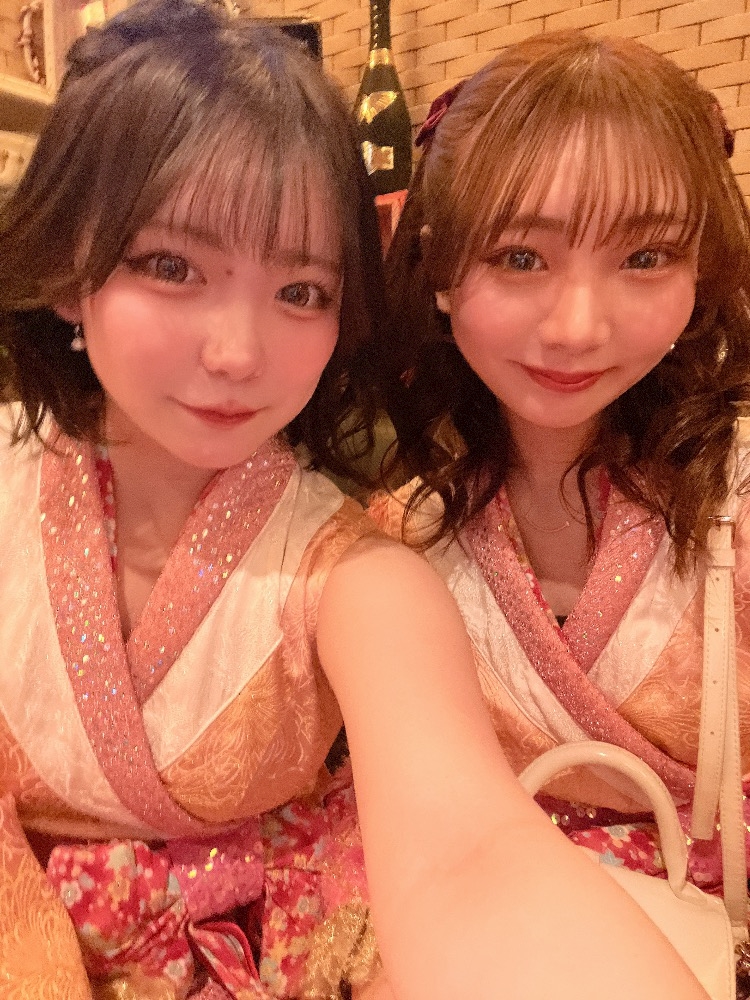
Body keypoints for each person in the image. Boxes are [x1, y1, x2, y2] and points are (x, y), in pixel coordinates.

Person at [0, 6, 712, 998]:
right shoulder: (421, 510)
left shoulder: (360, 573)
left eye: (301, 290)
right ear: (71, 269)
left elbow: (468, 853)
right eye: (171, 266)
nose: (238, 352)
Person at [373, 25, 750, 990]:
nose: (578, 327)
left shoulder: (738, 498)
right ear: (440, 271)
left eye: (645, 256)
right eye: (520, 257)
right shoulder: (400, 528)